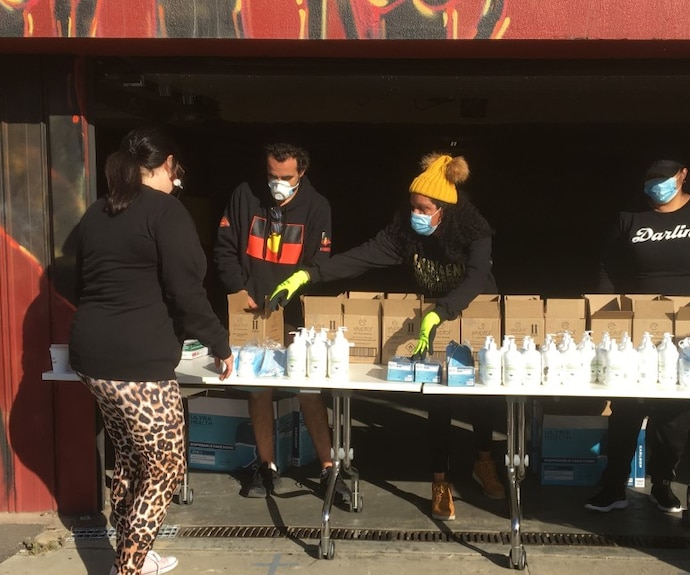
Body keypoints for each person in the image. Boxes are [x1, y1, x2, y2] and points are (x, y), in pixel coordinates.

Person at [268, 152, 506, 521]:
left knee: (482, 397)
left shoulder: (475, 231)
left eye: (424, 208)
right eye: (413, 206)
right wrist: (308, 275)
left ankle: (484, 461)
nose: (416, 214)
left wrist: (442, 312)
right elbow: (361, 256)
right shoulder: (406, 232)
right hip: (433, 317)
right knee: (438, 399)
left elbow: (475, 278)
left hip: (471, 311)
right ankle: (439, 480)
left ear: (444, 208)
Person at [69, 127, 234, 575]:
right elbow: (188, 293)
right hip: (137, 365)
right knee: (164, 470)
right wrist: (220, 344)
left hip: (91, 357)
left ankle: (134, 558)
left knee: (129, 458)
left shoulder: (99, 210)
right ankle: (128, 569)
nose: (177, 179)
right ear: (166, 166)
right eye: (175, 170)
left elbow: (72, 277)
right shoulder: (167, 212)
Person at [586, 158, 690, 514]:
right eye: (649, 181)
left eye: (662, 179)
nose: (655, 187)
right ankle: (613, 487)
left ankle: (662, 483)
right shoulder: (630, 216)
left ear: (683, 175)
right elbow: (607, 268)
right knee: (627, 405)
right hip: (641, 324)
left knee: (677, 414)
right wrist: (604, 317)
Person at [213, 140, 351, 504]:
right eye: (272, 176)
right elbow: (223, 249)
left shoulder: (317, 207)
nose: (277, 183)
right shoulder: (244, 196)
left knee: (309, 390)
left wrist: (287, 298)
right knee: (259, 389)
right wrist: (239, 291)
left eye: (286, 177)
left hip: (294, 313)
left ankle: (327, 467)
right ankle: (266, 466)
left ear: (301, 173)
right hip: (250, 311)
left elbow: (318, 266)